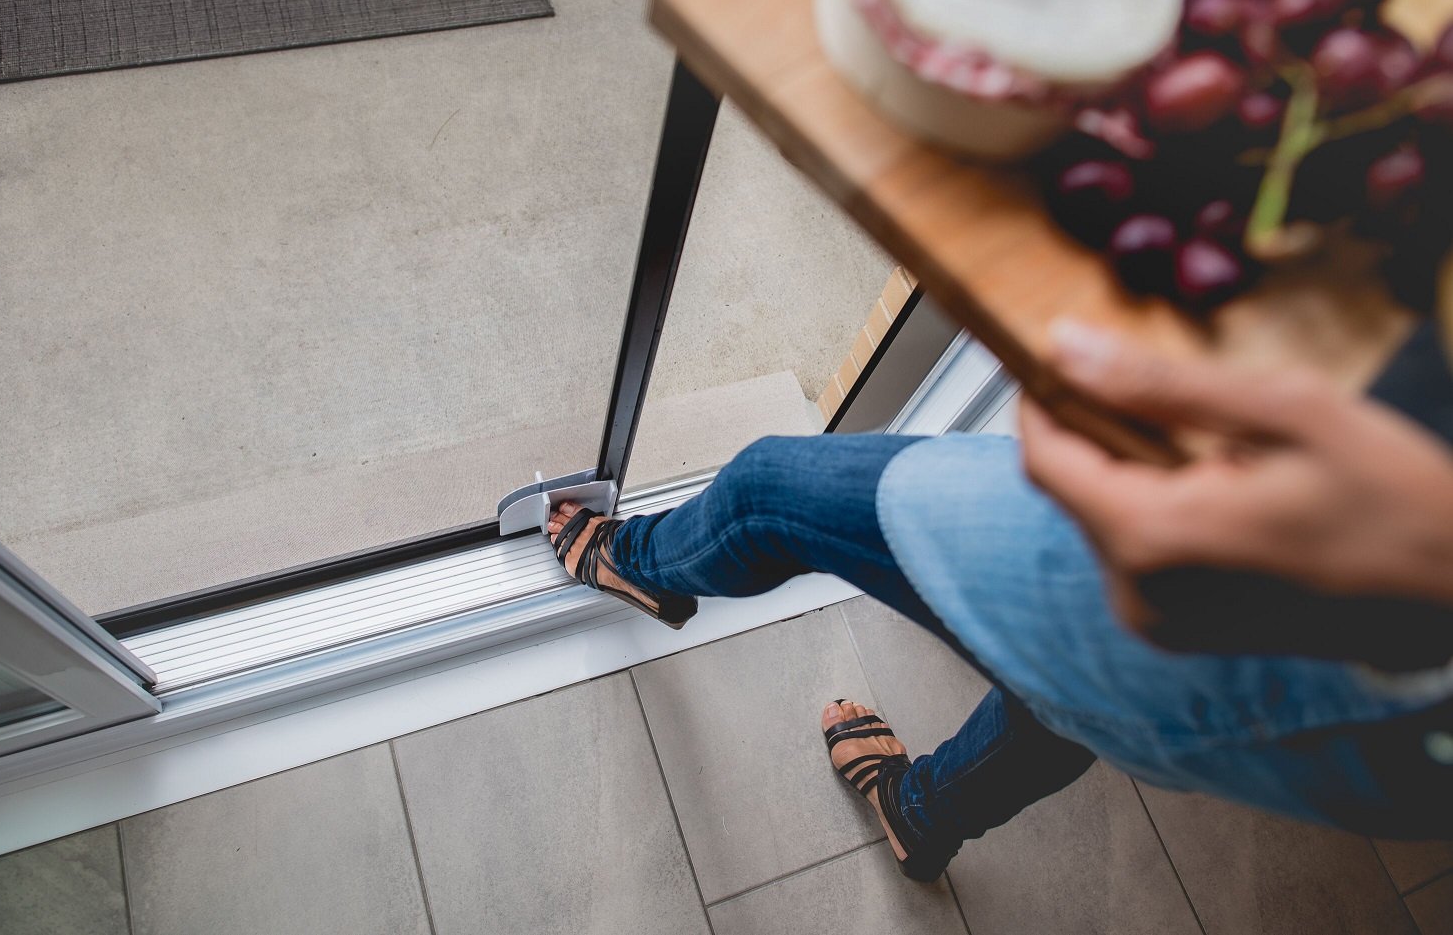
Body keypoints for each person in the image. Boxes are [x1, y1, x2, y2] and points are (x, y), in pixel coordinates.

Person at [547, 317, 1453, 881]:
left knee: (769, 493)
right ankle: (921, 814)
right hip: (1398, 731)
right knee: (1074, 694)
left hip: (1347, 622)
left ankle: (636, 561)